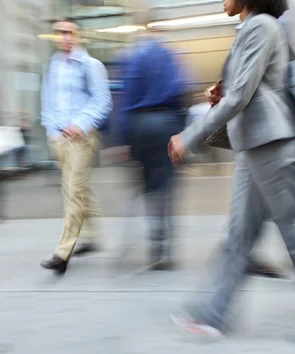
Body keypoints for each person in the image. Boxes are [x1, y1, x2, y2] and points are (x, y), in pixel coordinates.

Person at [168, 0, 295, 350]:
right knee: (239, 232)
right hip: (255, 144)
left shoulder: (262, 26)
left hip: (270, 144)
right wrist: (222, 92)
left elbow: (244, 94)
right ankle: (210, 313)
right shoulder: (254, 27)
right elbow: (248, 88)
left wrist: (190, 136)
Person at [40, 18, 112, 275]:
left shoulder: (91, 66)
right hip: (58, 139)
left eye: (69, 33)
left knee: (72, 191)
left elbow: (103, 101)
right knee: (79, 188)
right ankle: (92, 236)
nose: (65, 37)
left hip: (82, 139)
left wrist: (81, 124)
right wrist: (51, 130)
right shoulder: (53, 66)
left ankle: (63, 252)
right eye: (60, 33)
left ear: (78, 35)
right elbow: (47, 101)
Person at [121, 17, 187, 270]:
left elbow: (126, 100)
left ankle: (155, 243)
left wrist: (126, 141)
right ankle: (163, 248)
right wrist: (183, 134)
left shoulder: (132, 57)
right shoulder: (171, 56)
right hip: (166, 123)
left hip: (140, 125)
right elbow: (181, 93)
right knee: (167, 186)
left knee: (149, 188)